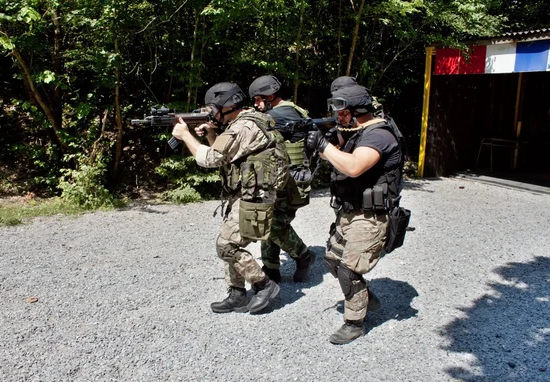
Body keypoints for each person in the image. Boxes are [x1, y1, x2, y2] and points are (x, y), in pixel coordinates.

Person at [171, 82, 286, 314]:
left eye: (213, 109)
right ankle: (237, 293)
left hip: (255, 196)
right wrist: (213, 133)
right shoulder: (247, 120)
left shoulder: (242, 127)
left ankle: (264, 284)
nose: (210, 113)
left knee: (226, 245)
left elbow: (211, 159)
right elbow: (228, 158)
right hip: (247, 192)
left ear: (226, 106)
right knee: (228, 239)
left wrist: (185, 136)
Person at [305, 84, 404, 344]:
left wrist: (323, 145)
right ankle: (366, 298)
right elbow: (337, 157)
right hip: (348, 212)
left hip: (370, 217)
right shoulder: (354, 132)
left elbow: (354, 166)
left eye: (342, 112)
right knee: (332, 261)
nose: (338, 117)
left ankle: (354, 323)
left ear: (357, 111)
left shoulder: (378, 135)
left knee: (349, 269)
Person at [247, 75, 315, 283]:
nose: (256, 105)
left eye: (258, 100)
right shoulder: (278, 112)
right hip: (277, 178)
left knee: (275, 225)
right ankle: (272, 268)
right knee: (268, 219)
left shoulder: (284, 112)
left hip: (292, 181)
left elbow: (254, 127)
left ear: (271, 96)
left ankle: (304, 255)